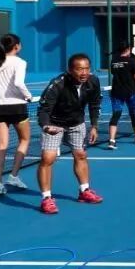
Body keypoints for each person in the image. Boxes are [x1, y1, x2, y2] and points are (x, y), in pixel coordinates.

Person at [36, 53, 103, 214]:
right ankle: (46, 198)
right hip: (54, 124)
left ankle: (84, 190)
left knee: (81, 155)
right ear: (70, 70)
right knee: (48, 158)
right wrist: (46, 127)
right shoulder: (57, 84)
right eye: (79, 69)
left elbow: (94, 104)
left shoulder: (93, 81)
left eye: (87, 68)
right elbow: (44, 109)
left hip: (77, 122)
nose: (84, 73)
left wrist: (94, 126)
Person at [0, 33, 33, 196]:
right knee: (24, 140)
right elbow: (18, 83)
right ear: (16, 46)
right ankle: (13, 176)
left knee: (1, 145)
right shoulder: (20, 62)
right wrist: (28, 96)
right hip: (16, 108)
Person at [107, 42, 135, 149]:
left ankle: (112, 141)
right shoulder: (131, 61)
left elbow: (114, 73)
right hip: (130, 92)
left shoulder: (113, 61)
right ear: (128, 49)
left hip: (116, 92)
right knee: (134, 114)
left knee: (116, 115)